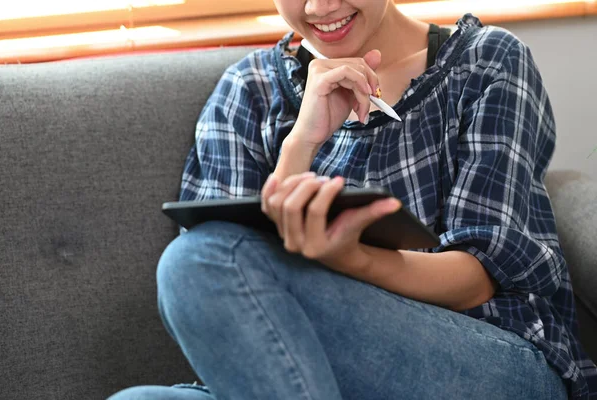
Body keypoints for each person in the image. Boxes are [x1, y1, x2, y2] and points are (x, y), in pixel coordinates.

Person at [109, 1, 597, 399]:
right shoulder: (249, 90)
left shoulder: (485, 62)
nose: (320, 7)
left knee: (191, 263)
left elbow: (477, 281)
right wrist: (300, 144)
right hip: (313, 368)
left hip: (486, 360)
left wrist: (352, 258)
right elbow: (219, 304)